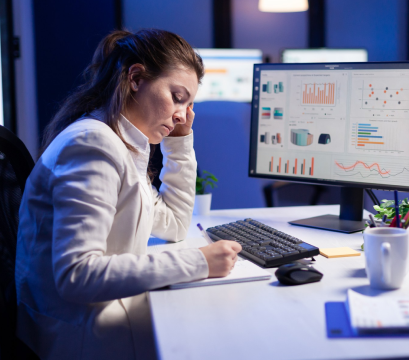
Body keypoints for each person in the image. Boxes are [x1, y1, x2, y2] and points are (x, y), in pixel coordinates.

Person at [15, 29, 241, 360]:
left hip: (92, 315)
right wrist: (199, 262)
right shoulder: (93, 145)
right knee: (218, 331)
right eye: (177, 97)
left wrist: (178, 141)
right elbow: (76, 275)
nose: (183, 114)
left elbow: (176, 224)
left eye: (190, 105)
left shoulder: (121, 144)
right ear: (135, 78)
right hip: (80, 330)